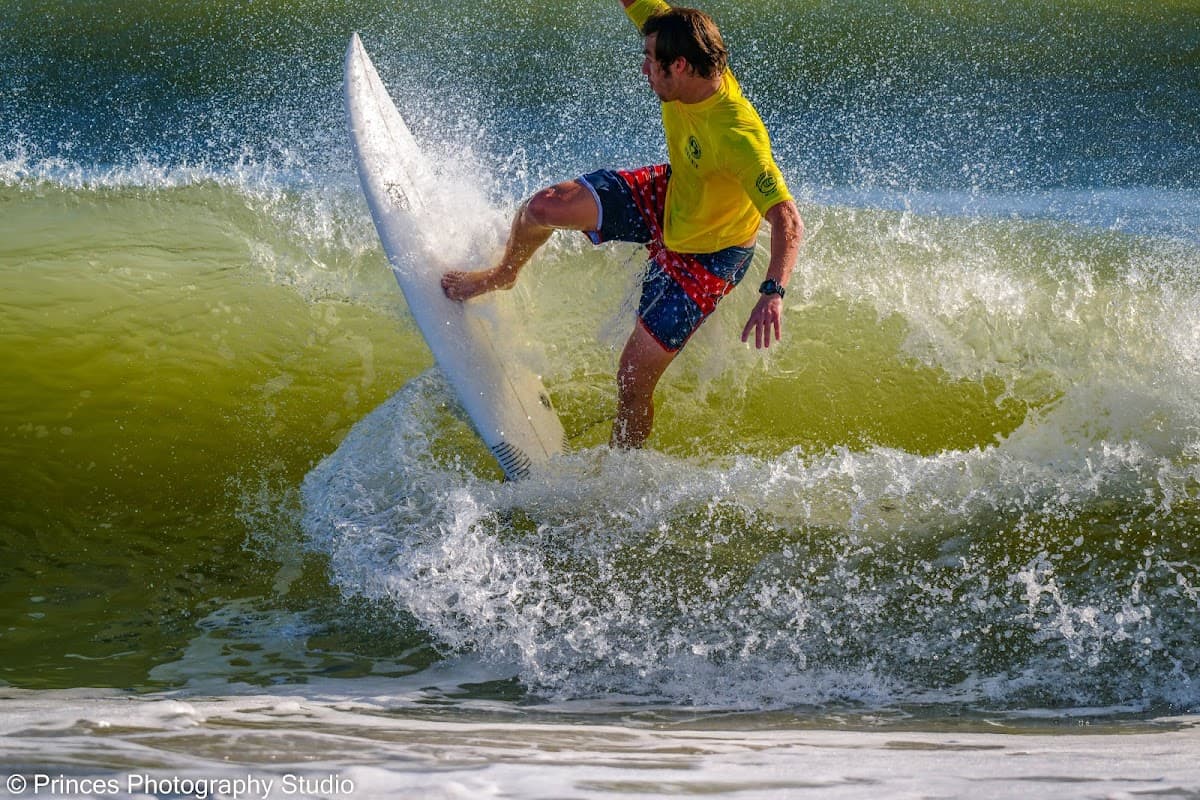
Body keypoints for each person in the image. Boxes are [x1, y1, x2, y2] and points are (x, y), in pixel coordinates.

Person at [442, 0, 804, 449]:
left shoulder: (738, 135)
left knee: (632, 382)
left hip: (711, 257)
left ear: (681, 66)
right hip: (676, 194)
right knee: (544, 207)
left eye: (652, 63)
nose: (644, 70)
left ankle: (617, 472)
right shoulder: (675, 37)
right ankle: (503, 274)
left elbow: (787, 219)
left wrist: (772, 293)